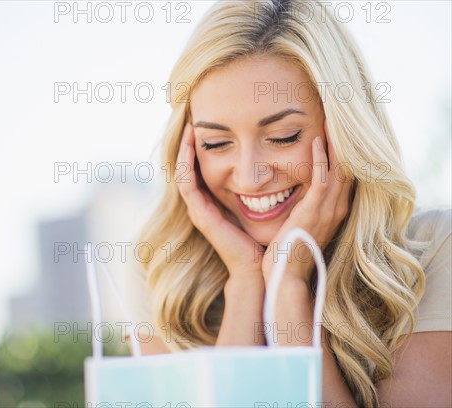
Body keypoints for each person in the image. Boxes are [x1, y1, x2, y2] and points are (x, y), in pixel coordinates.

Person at [123, 1, 451, 407]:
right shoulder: (160, 270)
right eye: (216, 143)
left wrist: (289, 287)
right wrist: (246, 281)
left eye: (282, 137)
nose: (248, 176)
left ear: (344, 133)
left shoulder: (434, 251)